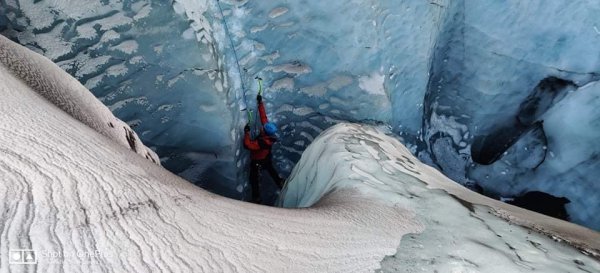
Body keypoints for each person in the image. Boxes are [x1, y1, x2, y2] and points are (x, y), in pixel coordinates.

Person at [243, 94, 285, 204]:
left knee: (254, 179)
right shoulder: (268, 135)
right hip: (266, 158)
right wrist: (260, 103)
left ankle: (256, 198)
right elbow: (263, 117)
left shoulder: (262, 142)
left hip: (258, 162)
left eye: (263, 128)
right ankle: (280, 182)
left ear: (265, 131)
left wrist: (246, 133)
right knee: (271, 170)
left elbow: (248, 145)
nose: (262, 126)